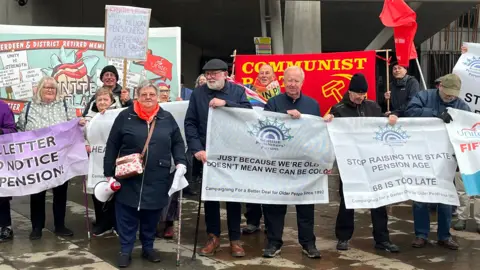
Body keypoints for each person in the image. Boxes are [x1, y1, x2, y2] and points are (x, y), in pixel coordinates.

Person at [104, 80, 187, 268]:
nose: (148, 98)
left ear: (157, 96)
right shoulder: (126, 116)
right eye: (144, 94)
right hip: (129, 175)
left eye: (151, 94)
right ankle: (125, 250)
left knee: (152, 214)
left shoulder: (167, 118)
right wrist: (109, 173)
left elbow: (177, 142)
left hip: (157, 174)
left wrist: (181, 161)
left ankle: (148, 247)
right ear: (137, 97)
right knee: (126, 212)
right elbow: (112, 144)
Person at [323, 73, 400, 253]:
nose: (360, 97)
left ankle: (382, 239)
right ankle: (343, 237)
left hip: (372, 162)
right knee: (347, 201)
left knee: (379, 201)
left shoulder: (373, 107)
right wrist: (329, 120)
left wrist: (392, 116)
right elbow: (329, 132)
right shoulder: (339, 109)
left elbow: (382, 124)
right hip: (349, 163)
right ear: (349, 91)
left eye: (363, 93)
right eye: (357, 93)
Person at [185, 58, 252, 258]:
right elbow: (190, 123)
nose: (211, 77)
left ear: (225, 74)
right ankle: (213, 237)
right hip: (208, 154)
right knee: (211, 198)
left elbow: (248, 114)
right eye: (208, 73)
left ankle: (235, 239)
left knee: (233, 197)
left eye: (215, 73)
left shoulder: (237, 92)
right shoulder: (198, 94)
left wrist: (227, 104)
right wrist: (197, 149)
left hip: (232, 152)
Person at [262, 66, 322, 259]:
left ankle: (308, 243)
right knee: (275, 207)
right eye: (289, 80)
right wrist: (284, 118)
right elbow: (264, 129)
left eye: (296, 81)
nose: (293, 84)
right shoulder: (272, 104)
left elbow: (317, 134)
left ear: (302, 83)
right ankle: (273, 242)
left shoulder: (313, 105)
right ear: (283, 81)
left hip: (303, 166)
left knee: (305, 207)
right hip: (278, 165)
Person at [405, 73, 470, 250]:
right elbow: (410, 112)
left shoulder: (461, 105)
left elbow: (467, 129)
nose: (450, 97)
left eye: (453, 94)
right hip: (422, 156)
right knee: (420, 197)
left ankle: (444, 235)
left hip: (446, 160)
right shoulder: (424, 96)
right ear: (439, 86)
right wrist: (436, 114)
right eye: (447, 92)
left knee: (446, 198)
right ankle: (421, 234)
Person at [16, 76, 85, 240]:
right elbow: (20, 129)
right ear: (39, 89)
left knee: (60, 193)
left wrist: (80, 123)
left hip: (60, 158)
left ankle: (60, 225)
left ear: (57, 90)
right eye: (46, 87)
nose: (49, 90)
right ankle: (37, 227)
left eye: (52, 88)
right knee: (37, 193)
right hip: (37, 159)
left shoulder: (64, 105)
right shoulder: (29, 107)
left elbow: (73, 125)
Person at [84, 87, 123, 237]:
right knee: (97, 191)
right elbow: (83, 136)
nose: (102, 102)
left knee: (115, 190)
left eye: (105, 99)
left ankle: (115, 222)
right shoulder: (89, 117)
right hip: (95, 161)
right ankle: (102, 222)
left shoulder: (119, 114)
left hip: (114, 159)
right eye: (99, 99)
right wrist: (84, 143)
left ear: (111, 100)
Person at [0, 100, 17, 243]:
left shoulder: (3, 107)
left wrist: (1, 131)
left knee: (1, 194)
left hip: (0, 157)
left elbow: (12, 130)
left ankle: (6, 226)